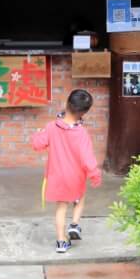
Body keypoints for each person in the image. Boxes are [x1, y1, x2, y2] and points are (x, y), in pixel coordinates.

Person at [30, 89, 103, 253]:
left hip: (57, 176)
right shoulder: (81, 133)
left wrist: (37, 134)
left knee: (61, 208)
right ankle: (75, 225)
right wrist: (94, 174)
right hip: (76, 177)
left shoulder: (51, 127)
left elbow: (37, 145)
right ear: (84, 112)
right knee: (79, 198)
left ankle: (61, 242)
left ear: (67, 104)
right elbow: (87, 158)